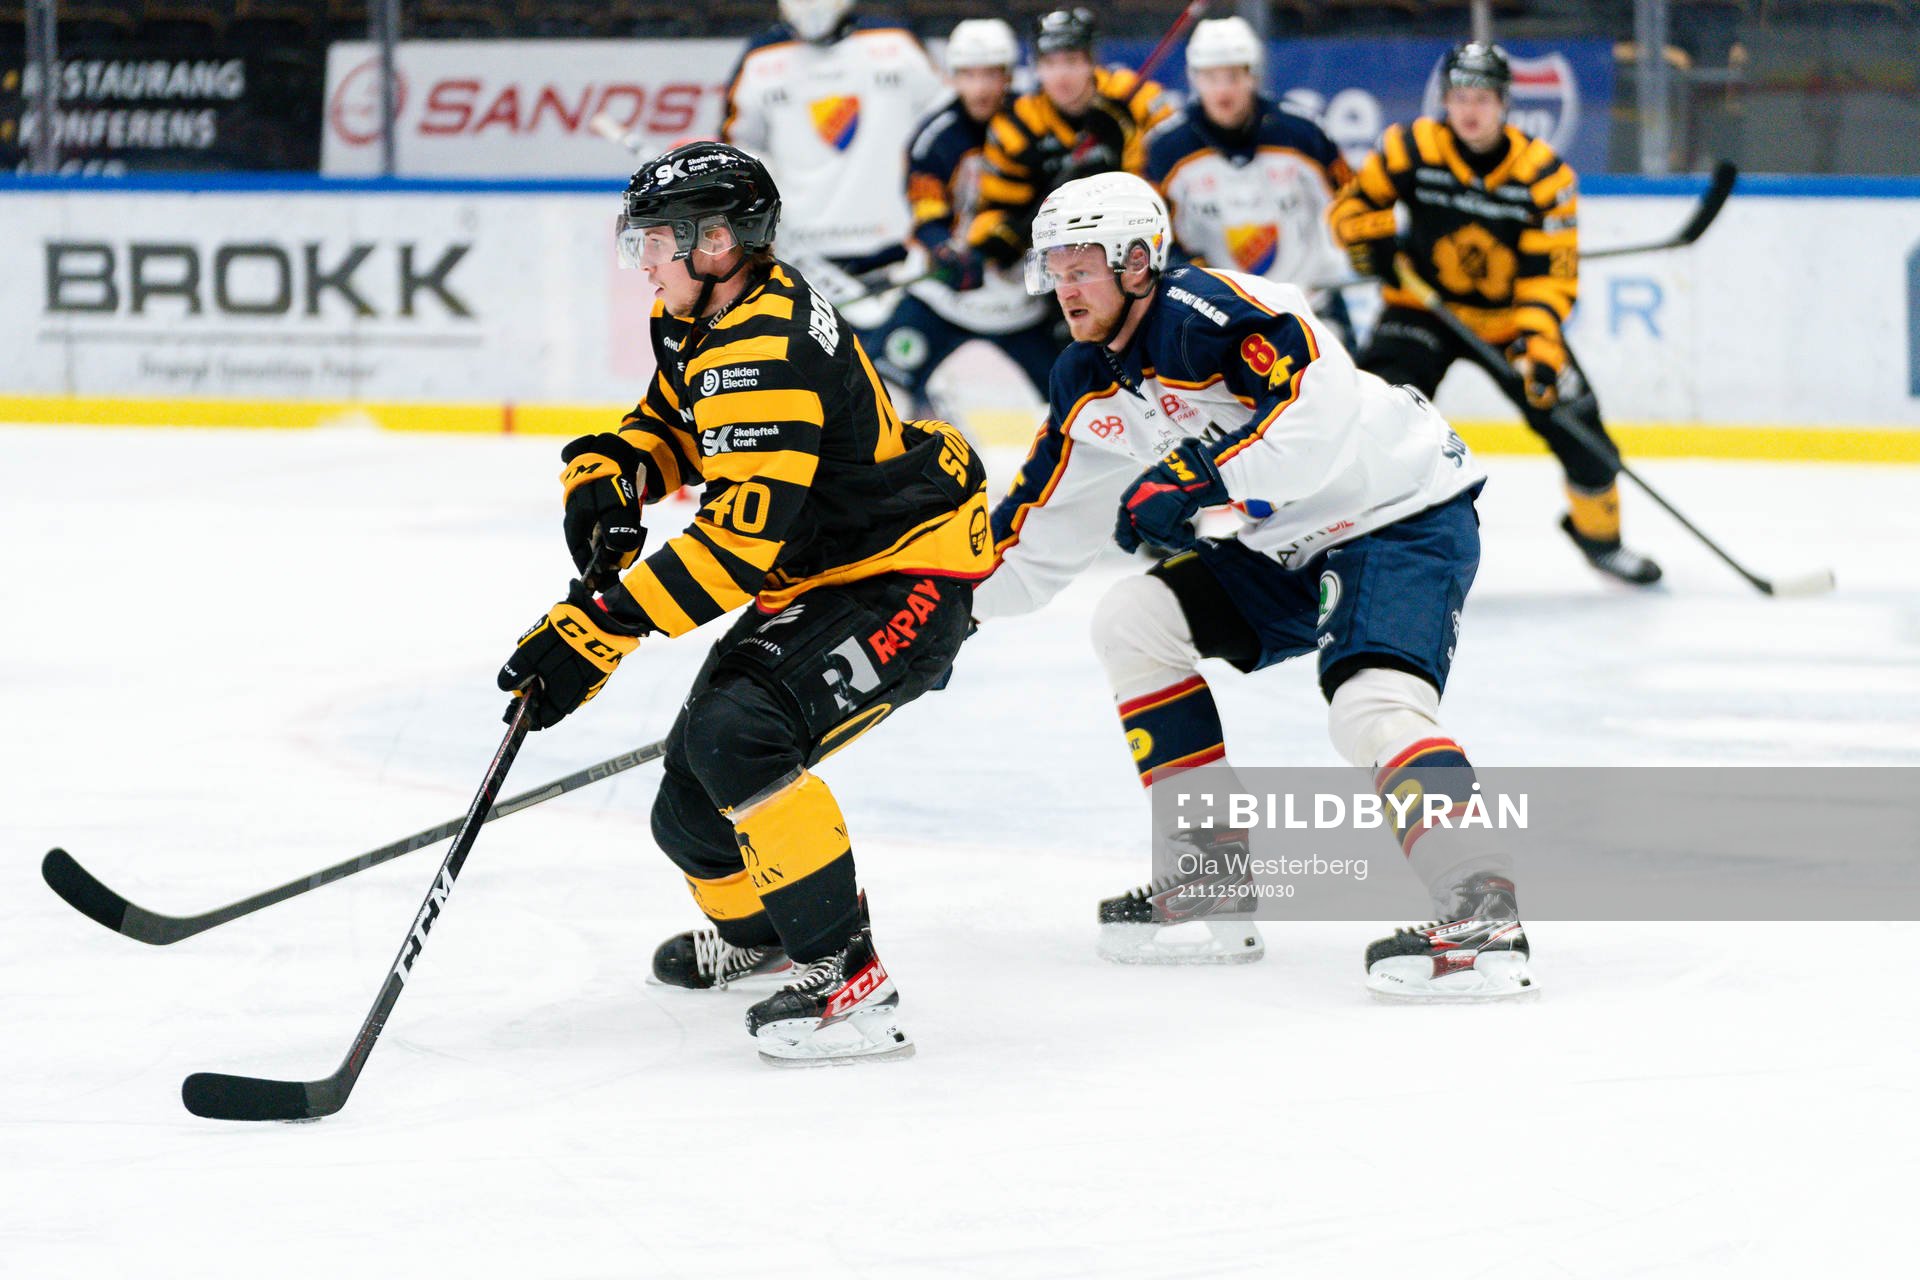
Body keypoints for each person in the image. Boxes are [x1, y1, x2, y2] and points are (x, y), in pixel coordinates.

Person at [971, 171, 1532, 998]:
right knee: (1132, 619)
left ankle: (1482, 909)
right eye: (1054, 270)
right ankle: (1211, 875)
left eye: (1081, 268)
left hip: (1397, 509)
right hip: (1284, 545)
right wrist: (936, 605)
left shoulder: (1215, 311)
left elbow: (1316, 419)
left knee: (1370, 706)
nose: (1065, 289)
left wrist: (1201, 478)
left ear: (1137, 263)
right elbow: (1033, 533)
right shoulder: (1086, 377)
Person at [497, 142, 992, 1063]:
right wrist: (615, 470)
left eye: (655, 241)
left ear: (716, 241)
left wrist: (598, 630)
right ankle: (769, 936)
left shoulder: (765, 347)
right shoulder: (701, 311)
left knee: (738, 734)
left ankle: (848, 981)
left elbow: (733, 548)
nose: (642, 260)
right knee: (687, 809)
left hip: (908, 573)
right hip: (825, 570)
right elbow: (676, 420)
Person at [1330, 41, 1661, 586]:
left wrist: (1540, 349)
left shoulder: (1543, 175)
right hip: (1421, 311)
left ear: (1504, 103)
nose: (1470, 110)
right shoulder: (1410, 147)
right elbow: (1351, 207)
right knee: (1375, 417)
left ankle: (1601, 540)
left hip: (1510, 323)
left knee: (1583, 434)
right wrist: (1373, 239)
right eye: (1460, 97)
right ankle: (1353, 539)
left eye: (1482, 98)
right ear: (1445, 100)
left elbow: (1548, 278)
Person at [863, 17, 1059, 419]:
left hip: (1022, 303)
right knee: (877, 388)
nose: (980, 88)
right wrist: (945, 252)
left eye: (991, 74)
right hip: (945, 297)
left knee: (1077, 396)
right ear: (952, 77)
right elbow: (926, 212)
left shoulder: (1039, 124)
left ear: (1008, 75)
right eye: (969, 75)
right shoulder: (935, 137)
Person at [721, 1, 946, 326]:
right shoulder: (761, 57)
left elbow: (945, 127)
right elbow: (737, 149)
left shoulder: (896, 42)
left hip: (899, 252)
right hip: (807, 259)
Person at [1143, 15, 1356, 350]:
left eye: (1232, 75)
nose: (1222, 89)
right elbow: (1153, 234)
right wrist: (1189, 273)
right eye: (1210, 77)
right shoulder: (1166, 149)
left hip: (1311, 305)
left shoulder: (1301, 133)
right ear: (1194, 78)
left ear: (1252, 74)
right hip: (1218, 316)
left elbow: (1352, 199)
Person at [964, 7, 1172, 273]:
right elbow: (994, 208)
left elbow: (1175, 178)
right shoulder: (1016, 124)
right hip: (1054, 259)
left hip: (1140, 242)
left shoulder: (1135, 97)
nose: (1061, 74)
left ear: (1092, 61)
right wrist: (999, 235)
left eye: (1072, 61)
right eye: (1049, 63)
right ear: (1036, 66)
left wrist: (1126, 147)